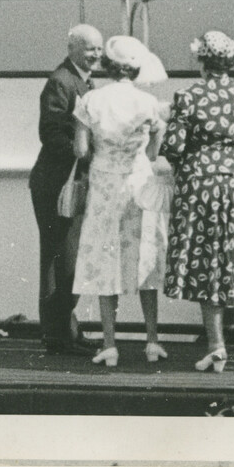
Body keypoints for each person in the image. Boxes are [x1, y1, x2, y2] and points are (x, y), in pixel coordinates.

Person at [163, 31, 234, 373]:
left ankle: (216, 345)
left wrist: (195, 167)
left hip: (200, 184)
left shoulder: (187, 96)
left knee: (207, 261)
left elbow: (173, 148)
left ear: (201, 62)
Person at [72, 35, 172, 366]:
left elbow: (81, 150)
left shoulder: (90, 100)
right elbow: (156, 147)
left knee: (105, 260)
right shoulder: (148, 103)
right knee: (144, 255)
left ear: (109, 66)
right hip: (139, 181)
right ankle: (153, 341)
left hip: (104, 183)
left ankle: (110, 344)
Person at [29, 24, 103, 354]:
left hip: (71, 182)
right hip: (57, 185)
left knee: (65, 258)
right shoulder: (61, 82)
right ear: (72, 48)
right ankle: (58, 335)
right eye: (90, 49)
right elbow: (50, 131)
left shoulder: (82, 81)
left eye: (99, 49)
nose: (97, 54)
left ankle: (63, 330)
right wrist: (83, 149)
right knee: (62, 259)